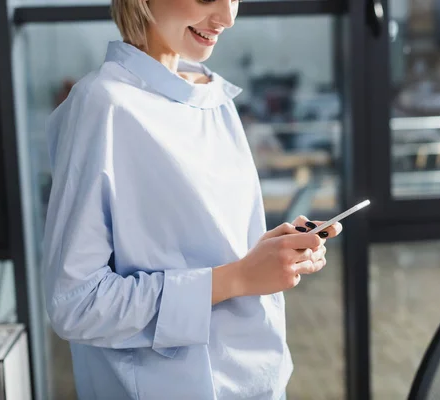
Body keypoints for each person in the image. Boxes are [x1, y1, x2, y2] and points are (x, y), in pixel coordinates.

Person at [41, 1, 342, 399]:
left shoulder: (216, 100)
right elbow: (75, 304)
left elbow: (209, 249)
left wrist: (273, 254)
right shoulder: (103, 105)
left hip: (260, 381)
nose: (228, 17)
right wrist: (238, 278)